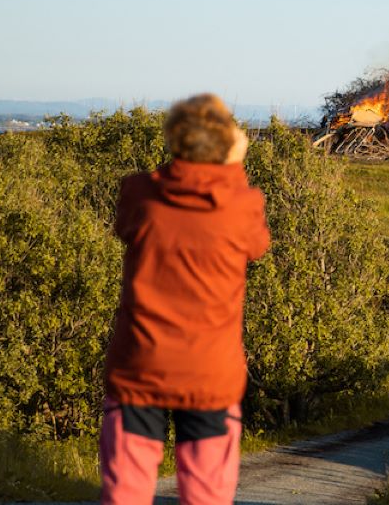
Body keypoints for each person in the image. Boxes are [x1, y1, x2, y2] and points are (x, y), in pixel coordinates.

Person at [100, 94, 270, 504]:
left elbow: (131, 217)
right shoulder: (242, 204)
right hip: (211, 371)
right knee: (207, 492)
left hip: (140, 364)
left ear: (173, 139)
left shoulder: (140, 195)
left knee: (127, 489)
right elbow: (257, 244)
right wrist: (232, 168)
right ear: (229, 144)